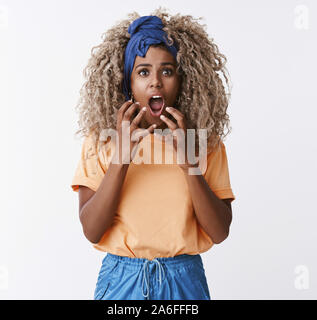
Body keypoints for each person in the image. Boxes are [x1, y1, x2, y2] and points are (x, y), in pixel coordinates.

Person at [71, 8, 236, 300]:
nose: (156, 81)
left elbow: (220, 231)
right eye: (143, 71)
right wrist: (121, 159)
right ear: (128, 83)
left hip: (184, 280)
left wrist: (189, 165)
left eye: (167, 71)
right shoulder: (101, 141)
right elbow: (92, 231)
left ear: (183, 80)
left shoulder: (203, 143)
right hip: (122, 281)